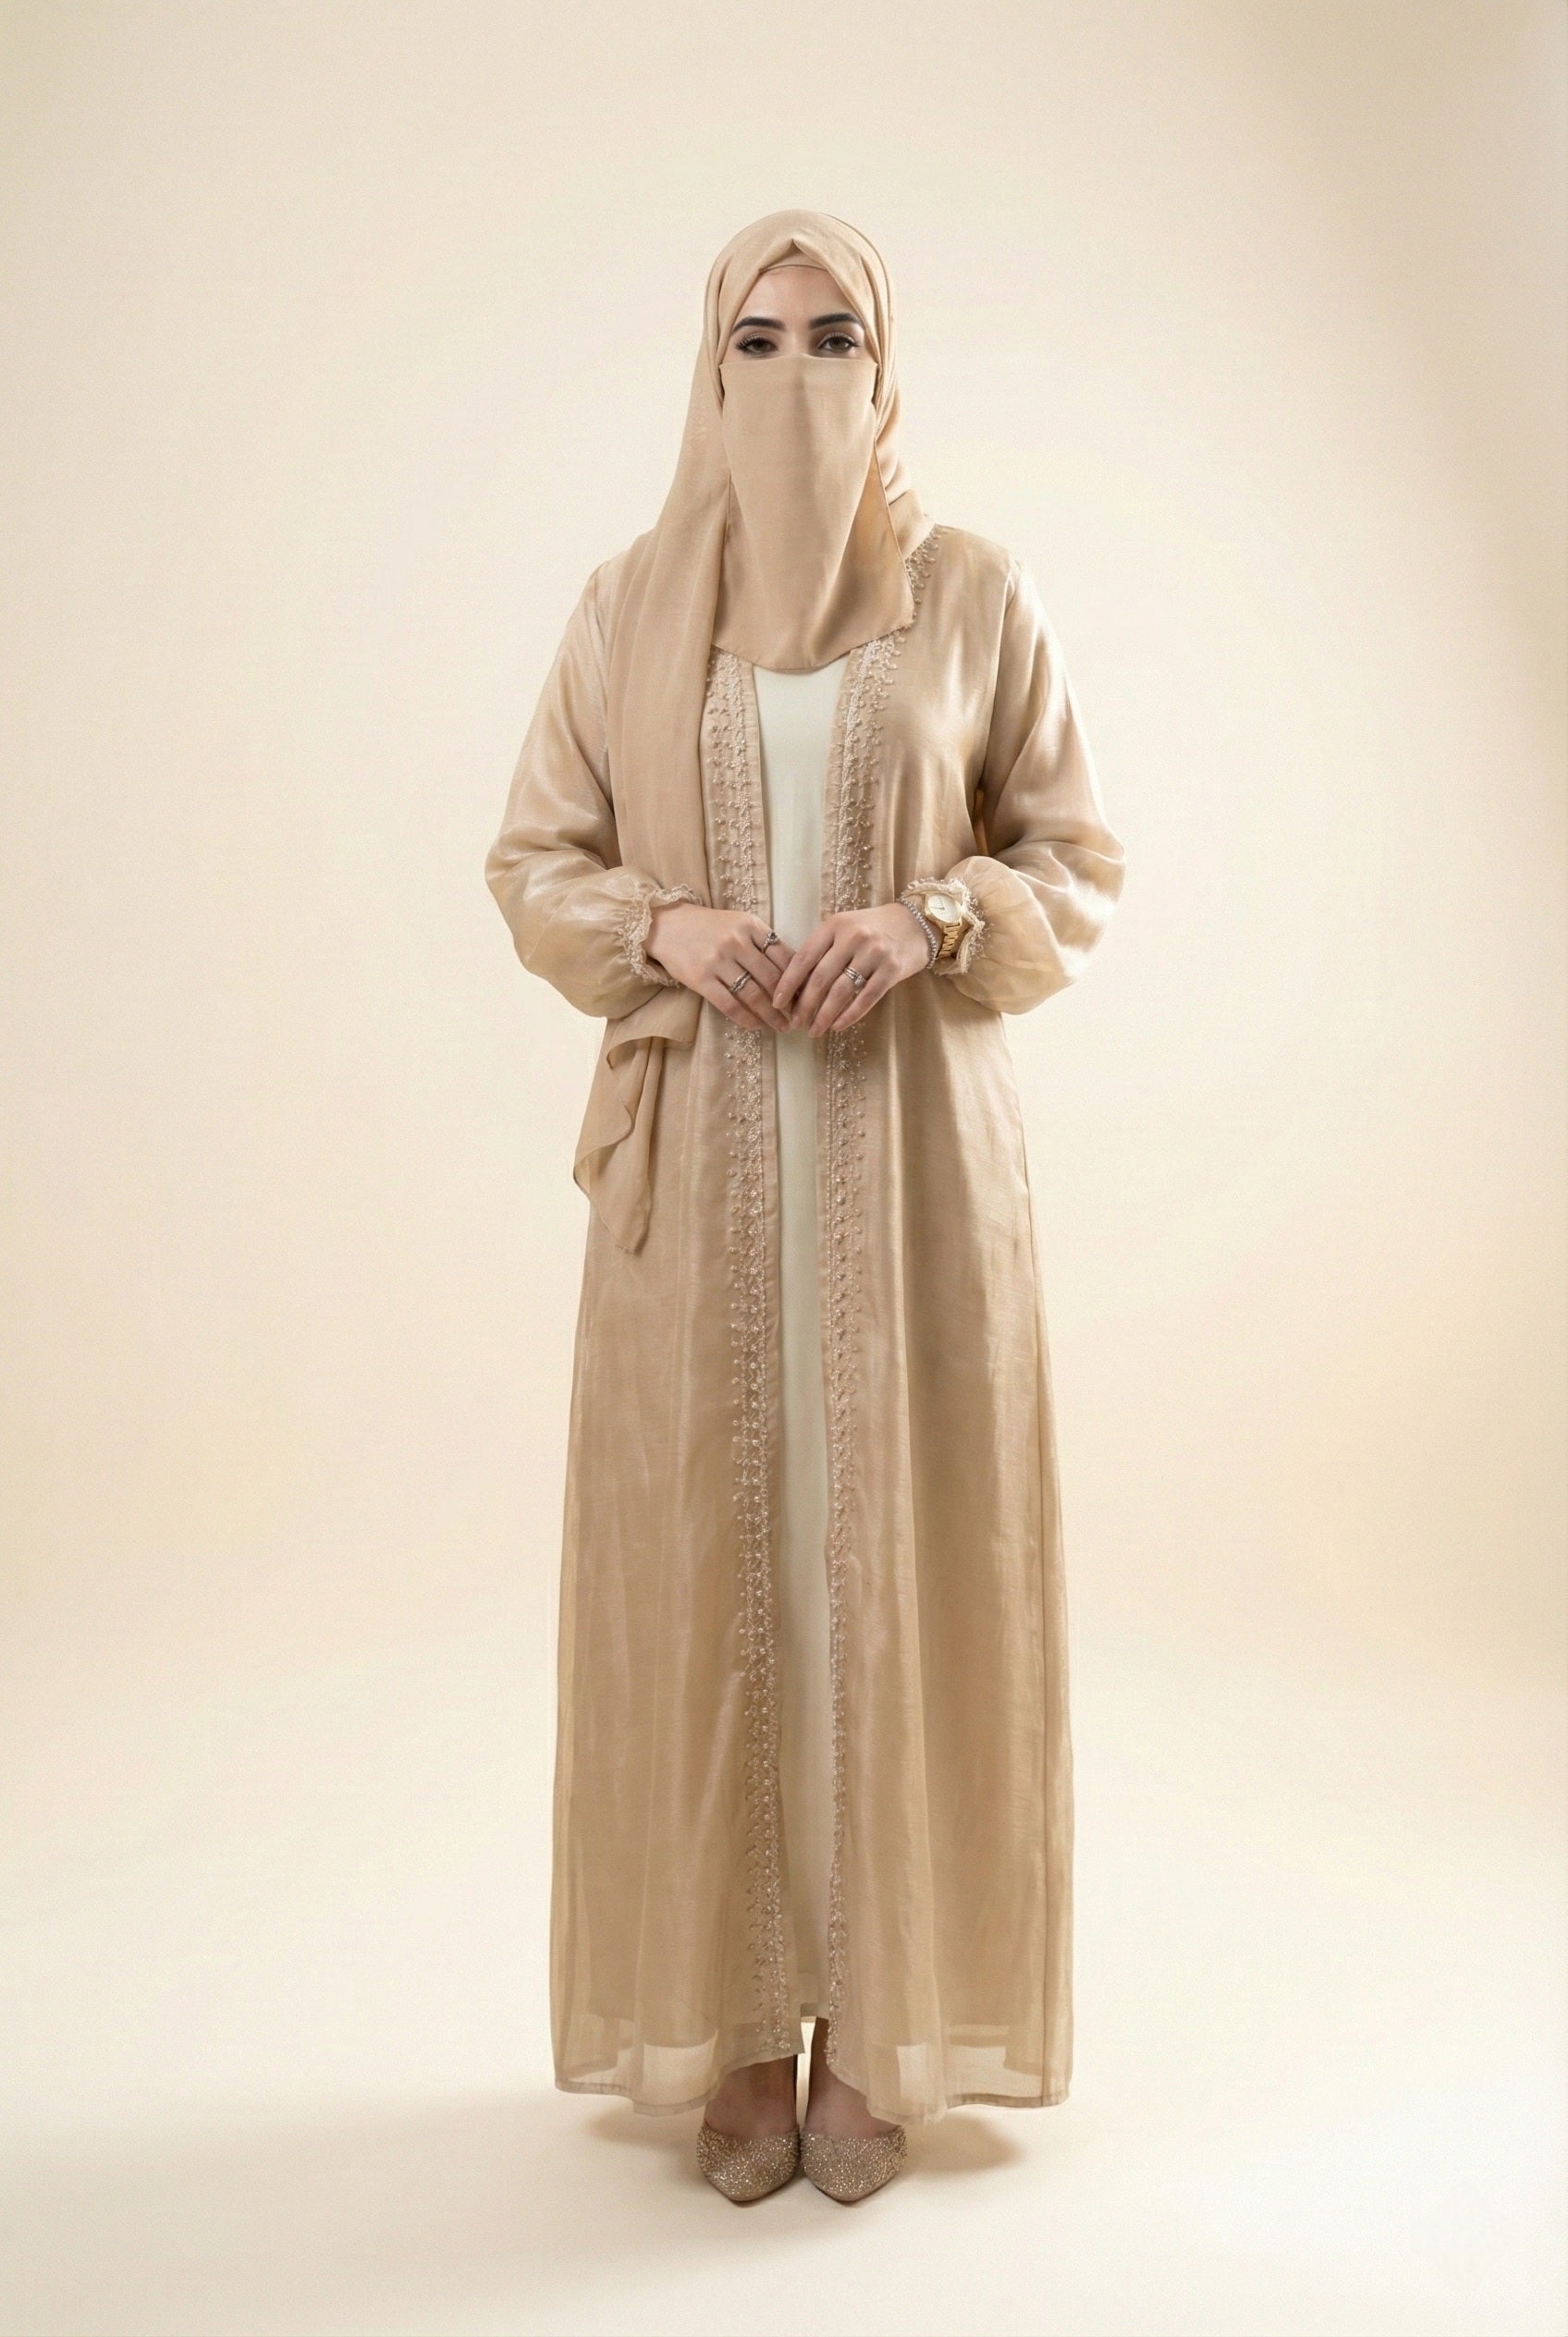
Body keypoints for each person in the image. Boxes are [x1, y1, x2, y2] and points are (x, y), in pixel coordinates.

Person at [485, 210, 1125, 2206]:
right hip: (696, 1178)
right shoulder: (626, 606)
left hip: (911, 1170)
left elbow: (1073, 854)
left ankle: (884, 2021)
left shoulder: (969, 594)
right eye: (755, 340)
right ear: (708, 364)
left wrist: (928, 918)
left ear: (886, 362)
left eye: (832, 336)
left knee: (896, 1574)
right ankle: (741, 2027)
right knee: (719, 1574)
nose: (794, 375)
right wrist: (663, 927)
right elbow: (533, 858)